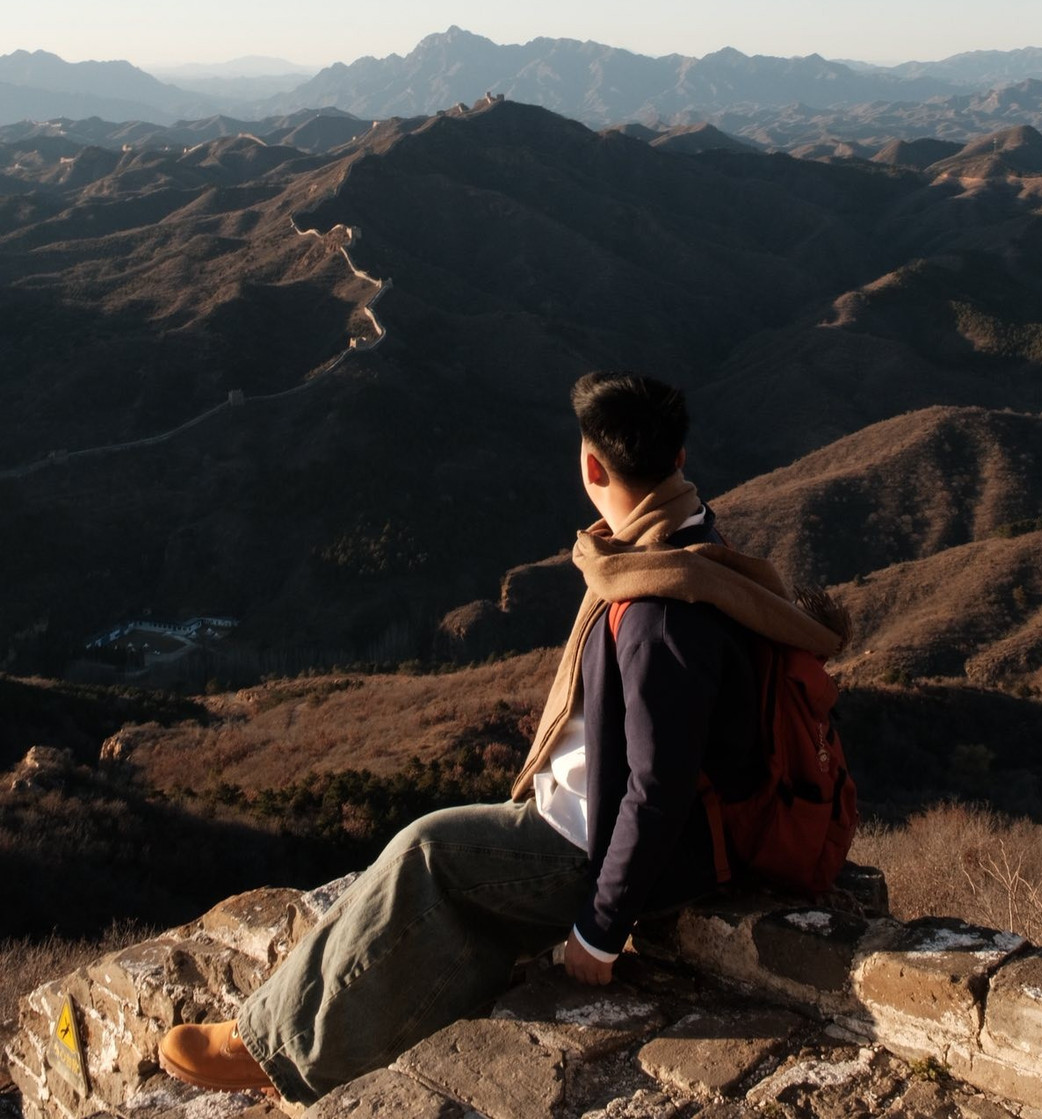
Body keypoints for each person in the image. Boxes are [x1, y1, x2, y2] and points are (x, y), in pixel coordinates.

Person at [158, 371, 844, 1105]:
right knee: (446, 864)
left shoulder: (659, 609)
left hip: (605, 845)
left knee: (425, 853)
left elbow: (658, 787)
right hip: (603, 816)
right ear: (679, 459)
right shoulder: (687, 544)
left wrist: (600, 928)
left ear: (591, 467)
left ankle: (278, 1049)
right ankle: (310, 1022)